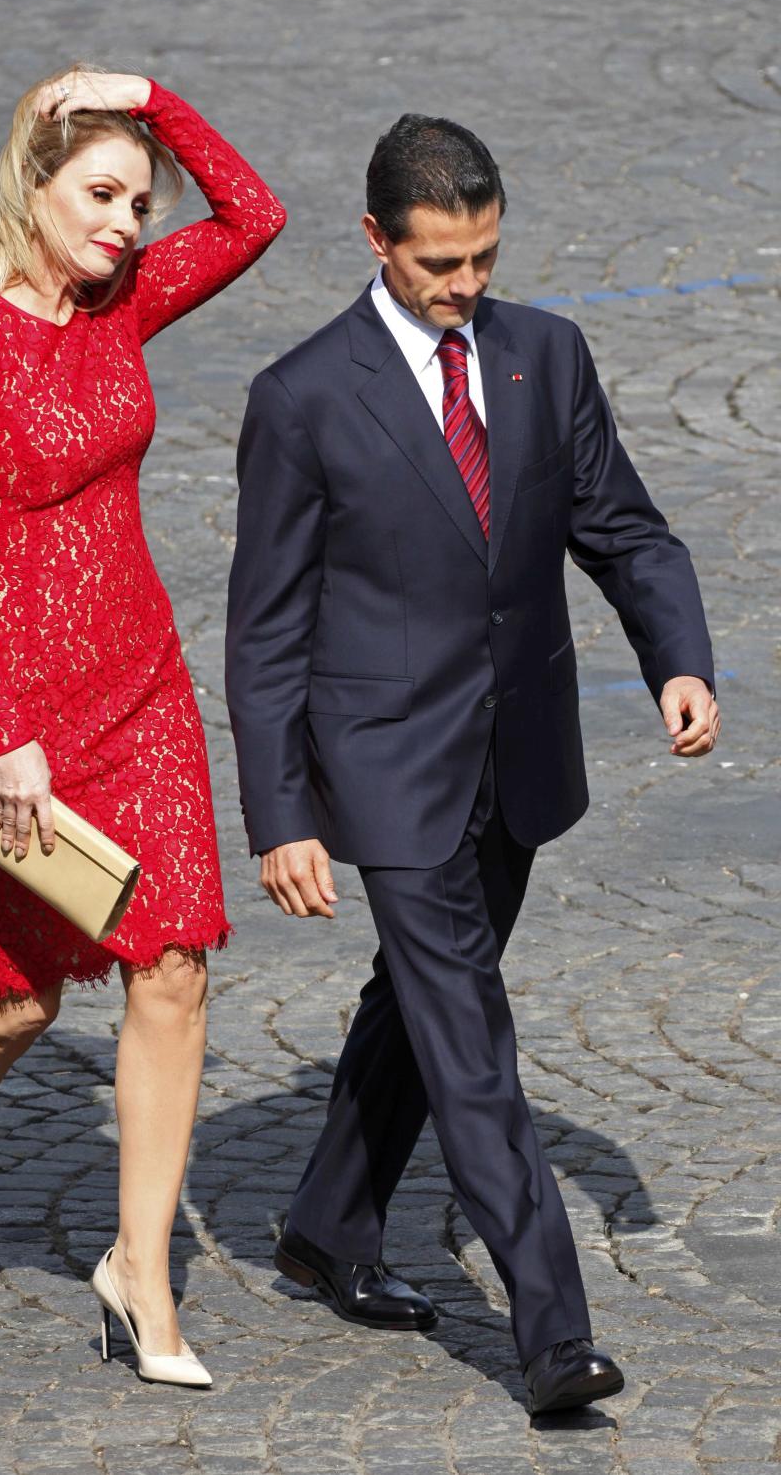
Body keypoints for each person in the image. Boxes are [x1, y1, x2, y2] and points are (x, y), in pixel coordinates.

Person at [225, 112, 719, 1415]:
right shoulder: (303, 398)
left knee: (429, 995)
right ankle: (555, 1333)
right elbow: (266, 631)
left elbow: (621, 526)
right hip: (389, 766)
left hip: (521, 752)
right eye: (442, 263)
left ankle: (329, 1219)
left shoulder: (546, 356)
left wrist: (679, 656)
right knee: (471, 1037)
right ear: (379, 241)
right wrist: (280, 810)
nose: (466, 288)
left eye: (484, 259)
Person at [0, 64, 285, 1387]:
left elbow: (253, 217)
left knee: (175, 962)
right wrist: (11, 737)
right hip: (11, 742)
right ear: (31, 188)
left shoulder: (120, 304)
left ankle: (141, 1272)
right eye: (100, 195)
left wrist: (154, 98)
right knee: (20, 1000)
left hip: (142, 699)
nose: (126, 223)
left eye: (137, 198)